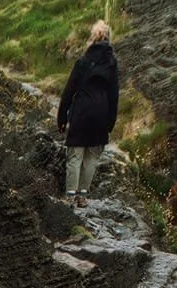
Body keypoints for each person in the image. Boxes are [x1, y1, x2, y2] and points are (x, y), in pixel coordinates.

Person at [57, 20, 120, 208]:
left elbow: (69, 90)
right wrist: (111, 121)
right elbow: (114, 94)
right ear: (108, 39)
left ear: (93, 38)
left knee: (75, 155)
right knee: (92, 157)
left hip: (81, 112)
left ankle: (69, 196)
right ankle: (83, 197)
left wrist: (62, 117)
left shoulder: (83, 61)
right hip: (101, 114)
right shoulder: (111, 63)